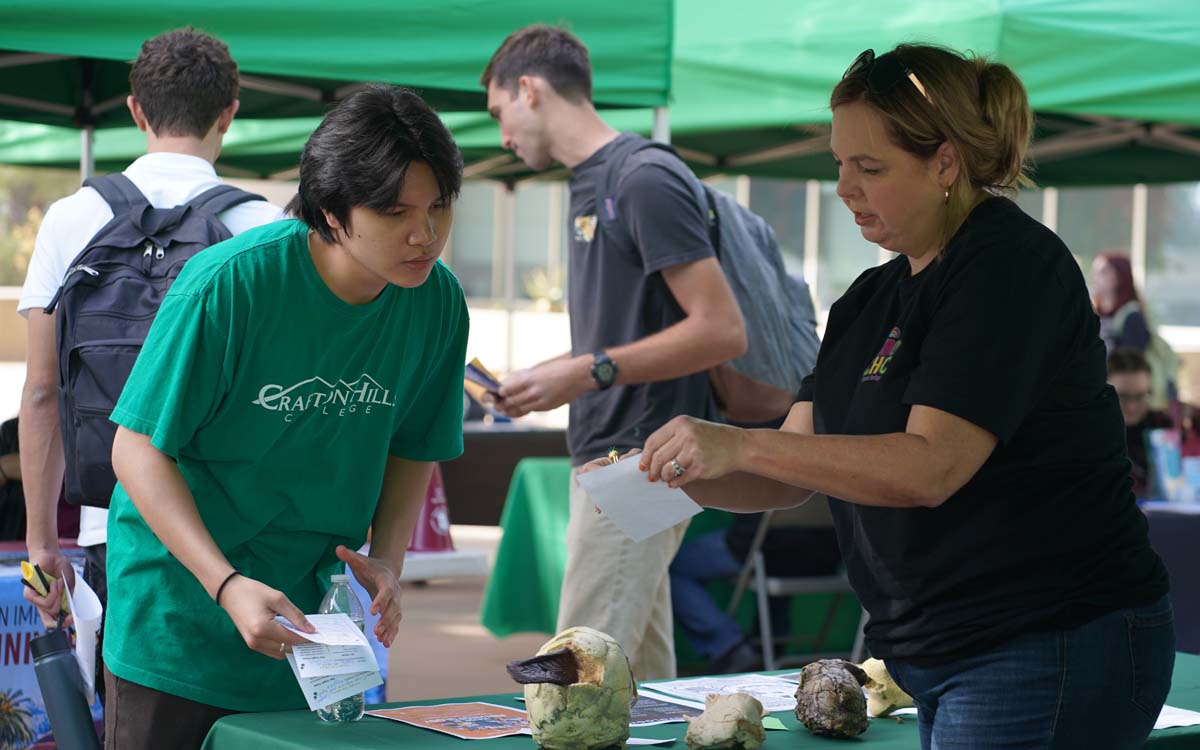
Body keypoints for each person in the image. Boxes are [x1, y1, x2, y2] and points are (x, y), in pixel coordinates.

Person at [591, 44, 1174, 749]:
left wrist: (738, 442)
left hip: (1046, 638)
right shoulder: (868, 299)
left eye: (870, 167)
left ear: (945, 163)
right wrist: (669, 474)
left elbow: (930, 466)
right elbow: (790, 469)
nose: (844, 187)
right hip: (941, 649)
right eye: (840, 163)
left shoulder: (1008, 264)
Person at [98, 84, 467, 749]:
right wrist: (226, 585)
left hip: (308, 627)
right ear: (330, 211)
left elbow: (414, 444)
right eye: (394, 212)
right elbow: (136, 450)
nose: (426, 235)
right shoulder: (231, 285)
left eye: (439, 205)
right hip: (180, 615)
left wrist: (386, 559)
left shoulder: (437, 302)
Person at [481, 25, 747, 680]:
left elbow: (721, 329)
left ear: (529, 89)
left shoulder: (643, 178)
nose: (501, 136)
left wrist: (588, 371)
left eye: (498, 112)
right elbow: (623, 337)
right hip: (619, 459)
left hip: (639, 460)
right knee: (642, 685)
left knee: (577, 678)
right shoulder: (594, 180)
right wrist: (556, 375)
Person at [19, 27, 281, 657]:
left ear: (136, 110)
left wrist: (41, 543)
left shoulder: (71, 218)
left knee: (127, 700)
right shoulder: (265, 228)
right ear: (229, 113)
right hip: (236, 535)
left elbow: (42, 393)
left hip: (113, 527)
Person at [669, 503, 840, 674]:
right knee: (778, 558)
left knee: (674, 567)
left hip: (764, 547)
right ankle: (770, 644)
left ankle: (729, 648)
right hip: (826, 555)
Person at [1091, 250, 1178, 409]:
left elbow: (1131, 366)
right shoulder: (1098, 315)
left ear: (1120, 277)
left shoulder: (1132, 317)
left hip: (1128, 403)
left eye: (1103, 272)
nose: (1095, 277)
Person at [1108, 349, 1174, 498]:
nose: (1131, 407)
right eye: (1122, 397)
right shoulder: (1090, 433)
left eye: (1140, 396)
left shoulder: (1163, 425)